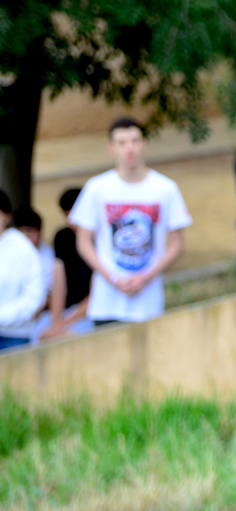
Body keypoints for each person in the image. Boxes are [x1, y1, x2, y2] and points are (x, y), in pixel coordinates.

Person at [69, 118, 192, 327]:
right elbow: (83, 241)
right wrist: (113, 278)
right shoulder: (97, 188)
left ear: (144, 144)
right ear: (111, 148)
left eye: (135, 141)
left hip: (148, 303)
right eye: (122, 142)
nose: (130, 148)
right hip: (106, 302)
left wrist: (145, 277)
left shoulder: (165, 188)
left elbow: (178, 244)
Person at [45, 187, 93, 341]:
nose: (71, 221)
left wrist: (67, 322)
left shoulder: (101, 237)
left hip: (90, 312)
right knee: (40, 334)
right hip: (66, 310)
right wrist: (56, 320)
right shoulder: (63, 237)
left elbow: (99, 291)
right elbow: (58, 282)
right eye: (66, 215)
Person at [0, 194, 44, 351]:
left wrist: (3, 318)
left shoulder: (21, 247)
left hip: (14, 336)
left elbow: (34, 296)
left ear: (6, 216)